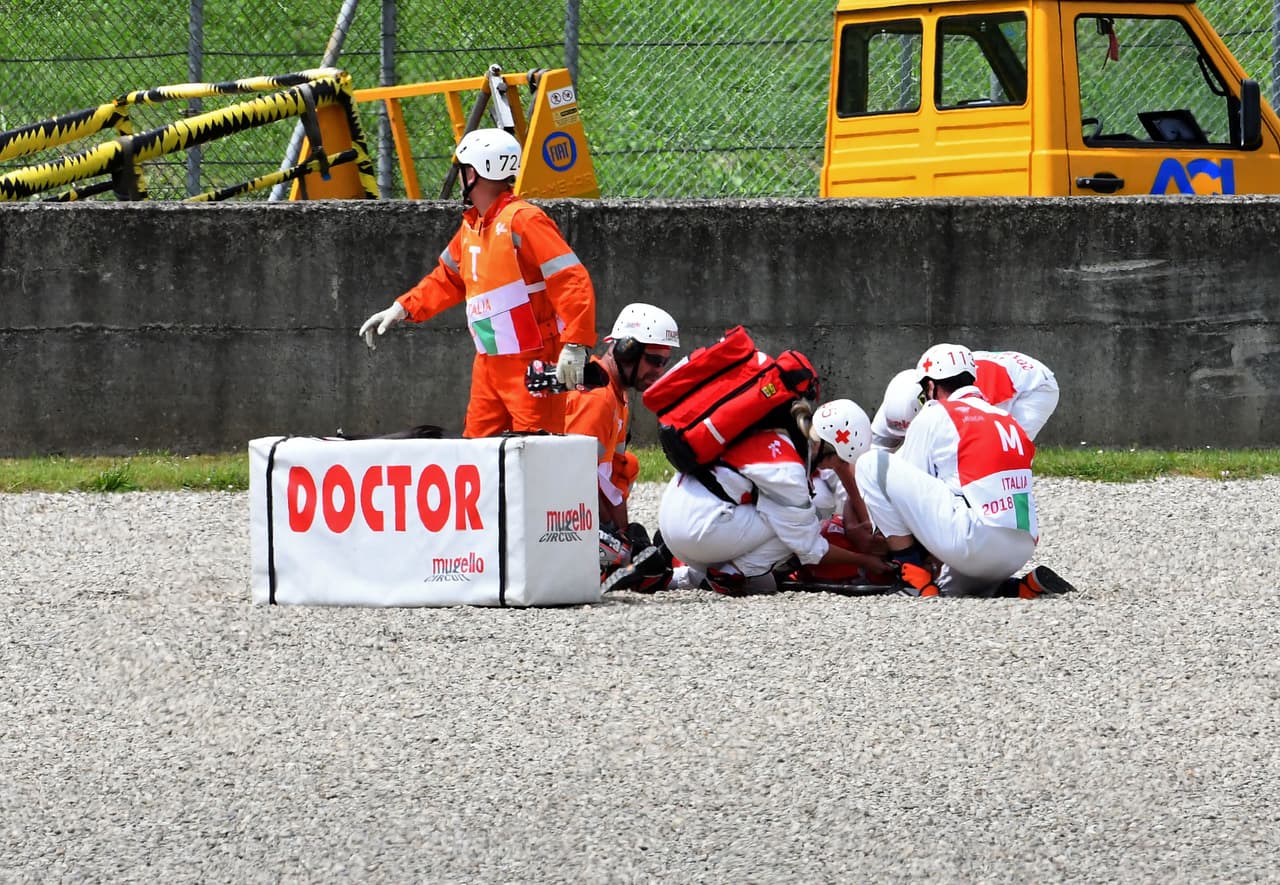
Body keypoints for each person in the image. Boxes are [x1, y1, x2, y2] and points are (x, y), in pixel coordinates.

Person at [357, 128, 596, 437]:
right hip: (489, 363)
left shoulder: (523, 220)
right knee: (477, 453)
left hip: (533, 360)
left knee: (537, 454)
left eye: (462, 168)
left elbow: (570, 279)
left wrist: (575, 344)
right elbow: (447, 278)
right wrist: (403, 307)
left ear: (475, 172)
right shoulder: (472, 226)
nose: (459, 176)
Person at [854, 343, 1076, 598]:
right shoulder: (1006, 418)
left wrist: (891, 543)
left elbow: (911, 498)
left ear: (930, 386)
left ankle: (912, 575)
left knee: (871, 464)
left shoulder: (934, 414)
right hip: (1021, 547)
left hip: (975, 541)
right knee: (948, 589)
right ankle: (1019, 588)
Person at [610, 394, 891, 596]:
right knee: (803, 522)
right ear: (829, 450)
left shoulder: (779, 432)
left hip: (677, 515)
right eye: (839, 461)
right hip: (696, 529)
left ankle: (676, 575)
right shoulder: (790, 470)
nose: (837, 469)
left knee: (765, 583)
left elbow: (836, 469)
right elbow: (810, 548)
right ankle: (729, 573)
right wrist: (866, 561)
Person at [563, 303, 679, 565]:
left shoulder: (618, 395)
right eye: (654, 360)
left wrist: (623, 534)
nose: (659, 371)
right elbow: (576, 476)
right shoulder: (596, 397)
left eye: (665, 362)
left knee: (629, 465)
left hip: (580, 504)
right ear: (627, 350)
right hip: (564, 508)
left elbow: (612, 477)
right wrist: (612, 540)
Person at [869, 350, 1059, 451]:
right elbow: (871, 454)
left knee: (1003, 449)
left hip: (1034, 385)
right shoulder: (897, 398)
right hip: (998, 368)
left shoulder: (967, 401)